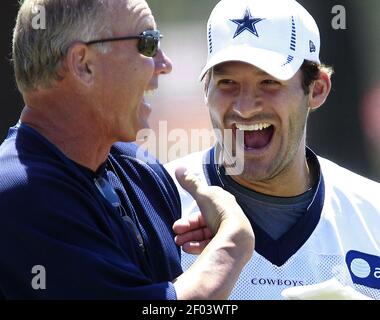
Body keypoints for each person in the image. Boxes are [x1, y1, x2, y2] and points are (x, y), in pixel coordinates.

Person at [0, 0, 254, 299]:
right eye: (148, 44)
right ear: (83, 64)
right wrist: (233, 241)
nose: (165, 64)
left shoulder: (141, 170)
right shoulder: (20, 193)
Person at [165, 0, 380, 300]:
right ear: (206, 89)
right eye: (227, 82)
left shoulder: (373, 216)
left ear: (316, 89)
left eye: (269, 82)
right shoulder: (154, 208)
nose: (245, 108)